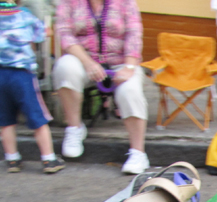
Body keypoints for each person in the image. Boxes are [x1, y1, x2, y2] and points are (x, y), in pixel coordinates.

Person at [53, 0, 149, 175]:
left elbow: (134, 34)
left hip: (120, 62)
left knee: (130, 90)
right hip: (84, 59)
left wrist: (129, 68)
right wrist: (88, 63)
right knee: (64, 67)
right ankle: (75, 128)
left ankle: (138, 153)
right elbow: (65, 34)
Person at [0, 0, 63, 173]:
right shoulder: (24, 15)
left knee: (6, 121)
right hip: (22, 74)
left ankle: (12, 160)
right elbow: (43, 33)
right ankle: (49, 159)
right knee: (37, 117)